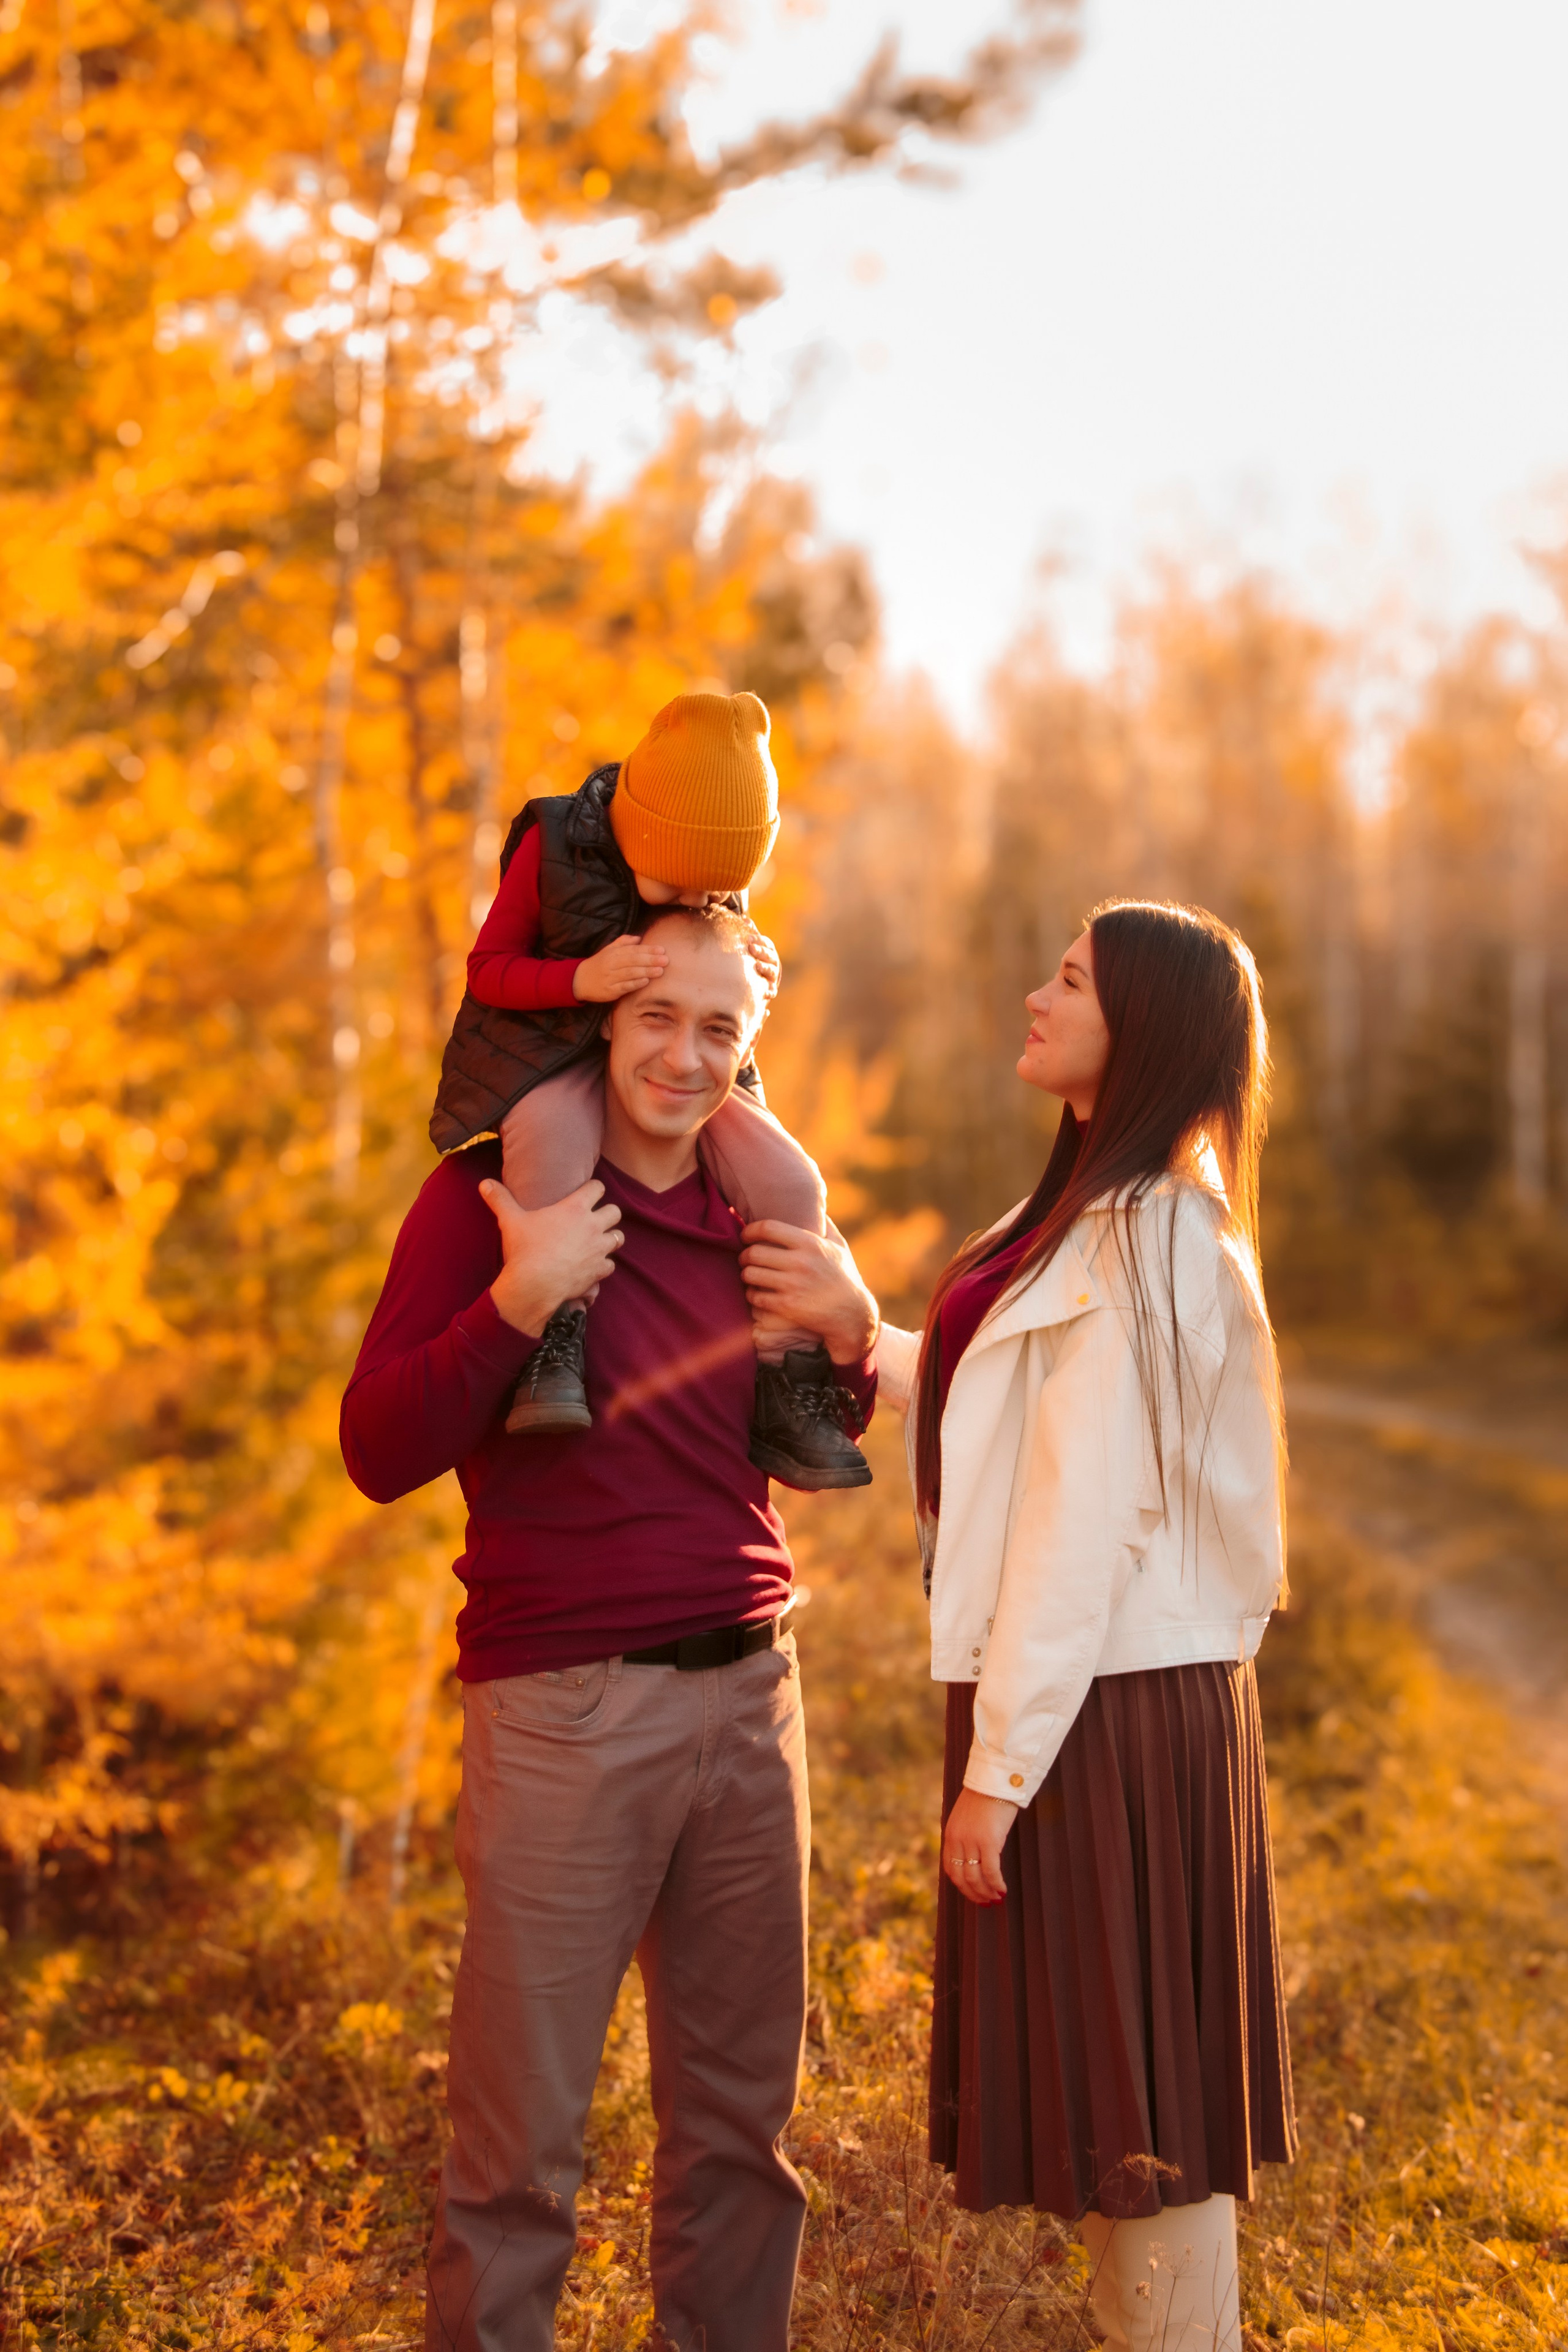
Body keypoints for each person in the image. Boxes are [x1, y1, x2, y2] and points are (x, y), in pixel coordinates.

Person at [744, 898, 1297, 2352]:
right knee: (1132, 2106)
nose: (1035, 995)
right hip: (1086, 1694)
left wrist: (999, 1773)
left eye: (1070, 979)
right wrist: (868, 1336)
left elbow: (1082, 1526)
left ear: (1149, 1030)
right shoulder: (1092, 1213)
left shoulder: (1151, 1237)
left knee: (1148, 2112)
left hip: (1103, 1703)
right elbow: (1027, 1423)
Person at [342, 902, 881, 2352]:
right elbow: (377, 1444)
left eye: (719, 1030)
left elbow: (828, 1431)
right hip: (563, 1713)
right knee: (516, 2164)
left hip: (752, 1705)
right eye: (658, 1018)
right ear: (605, 1015)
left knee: (739, 2146)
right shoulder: (487, 1203)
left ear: (745, 1045)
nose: (685, 1057)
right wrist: (518, 1303)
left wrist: (849, 1325)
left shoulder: (761, 1214)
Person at [429, 685, 870, 1491]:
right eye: (676, 891)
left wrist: (753, 965)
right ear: (638, 833)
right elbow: (487, 971)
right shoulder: (555, 846)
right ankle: (556, 1340)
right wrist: (581, 979)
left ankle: (787, 1372)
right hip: (547, 1047)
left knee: (790, 1178)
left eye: (717, 896)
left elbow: (717, 958)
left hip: (647, 1064)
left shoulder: (704, 871)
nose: (698, 906)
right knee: (547, 1136)